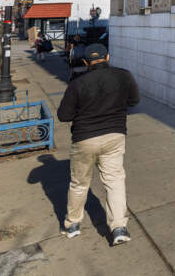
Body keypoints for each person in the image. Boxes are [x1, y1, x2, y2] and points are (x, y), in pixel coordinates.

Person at [56, 43, 140, 246]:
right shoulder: (124, 76)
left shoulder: (78, 83)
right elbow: (134, 100)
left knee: (79, 183)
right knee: (114, 181)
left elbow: (63, 115)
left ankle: (73, 225)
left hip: (85, 138)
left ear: (85, 62)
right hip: (114, 134)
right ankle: (119, 227)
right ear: (108, 57)